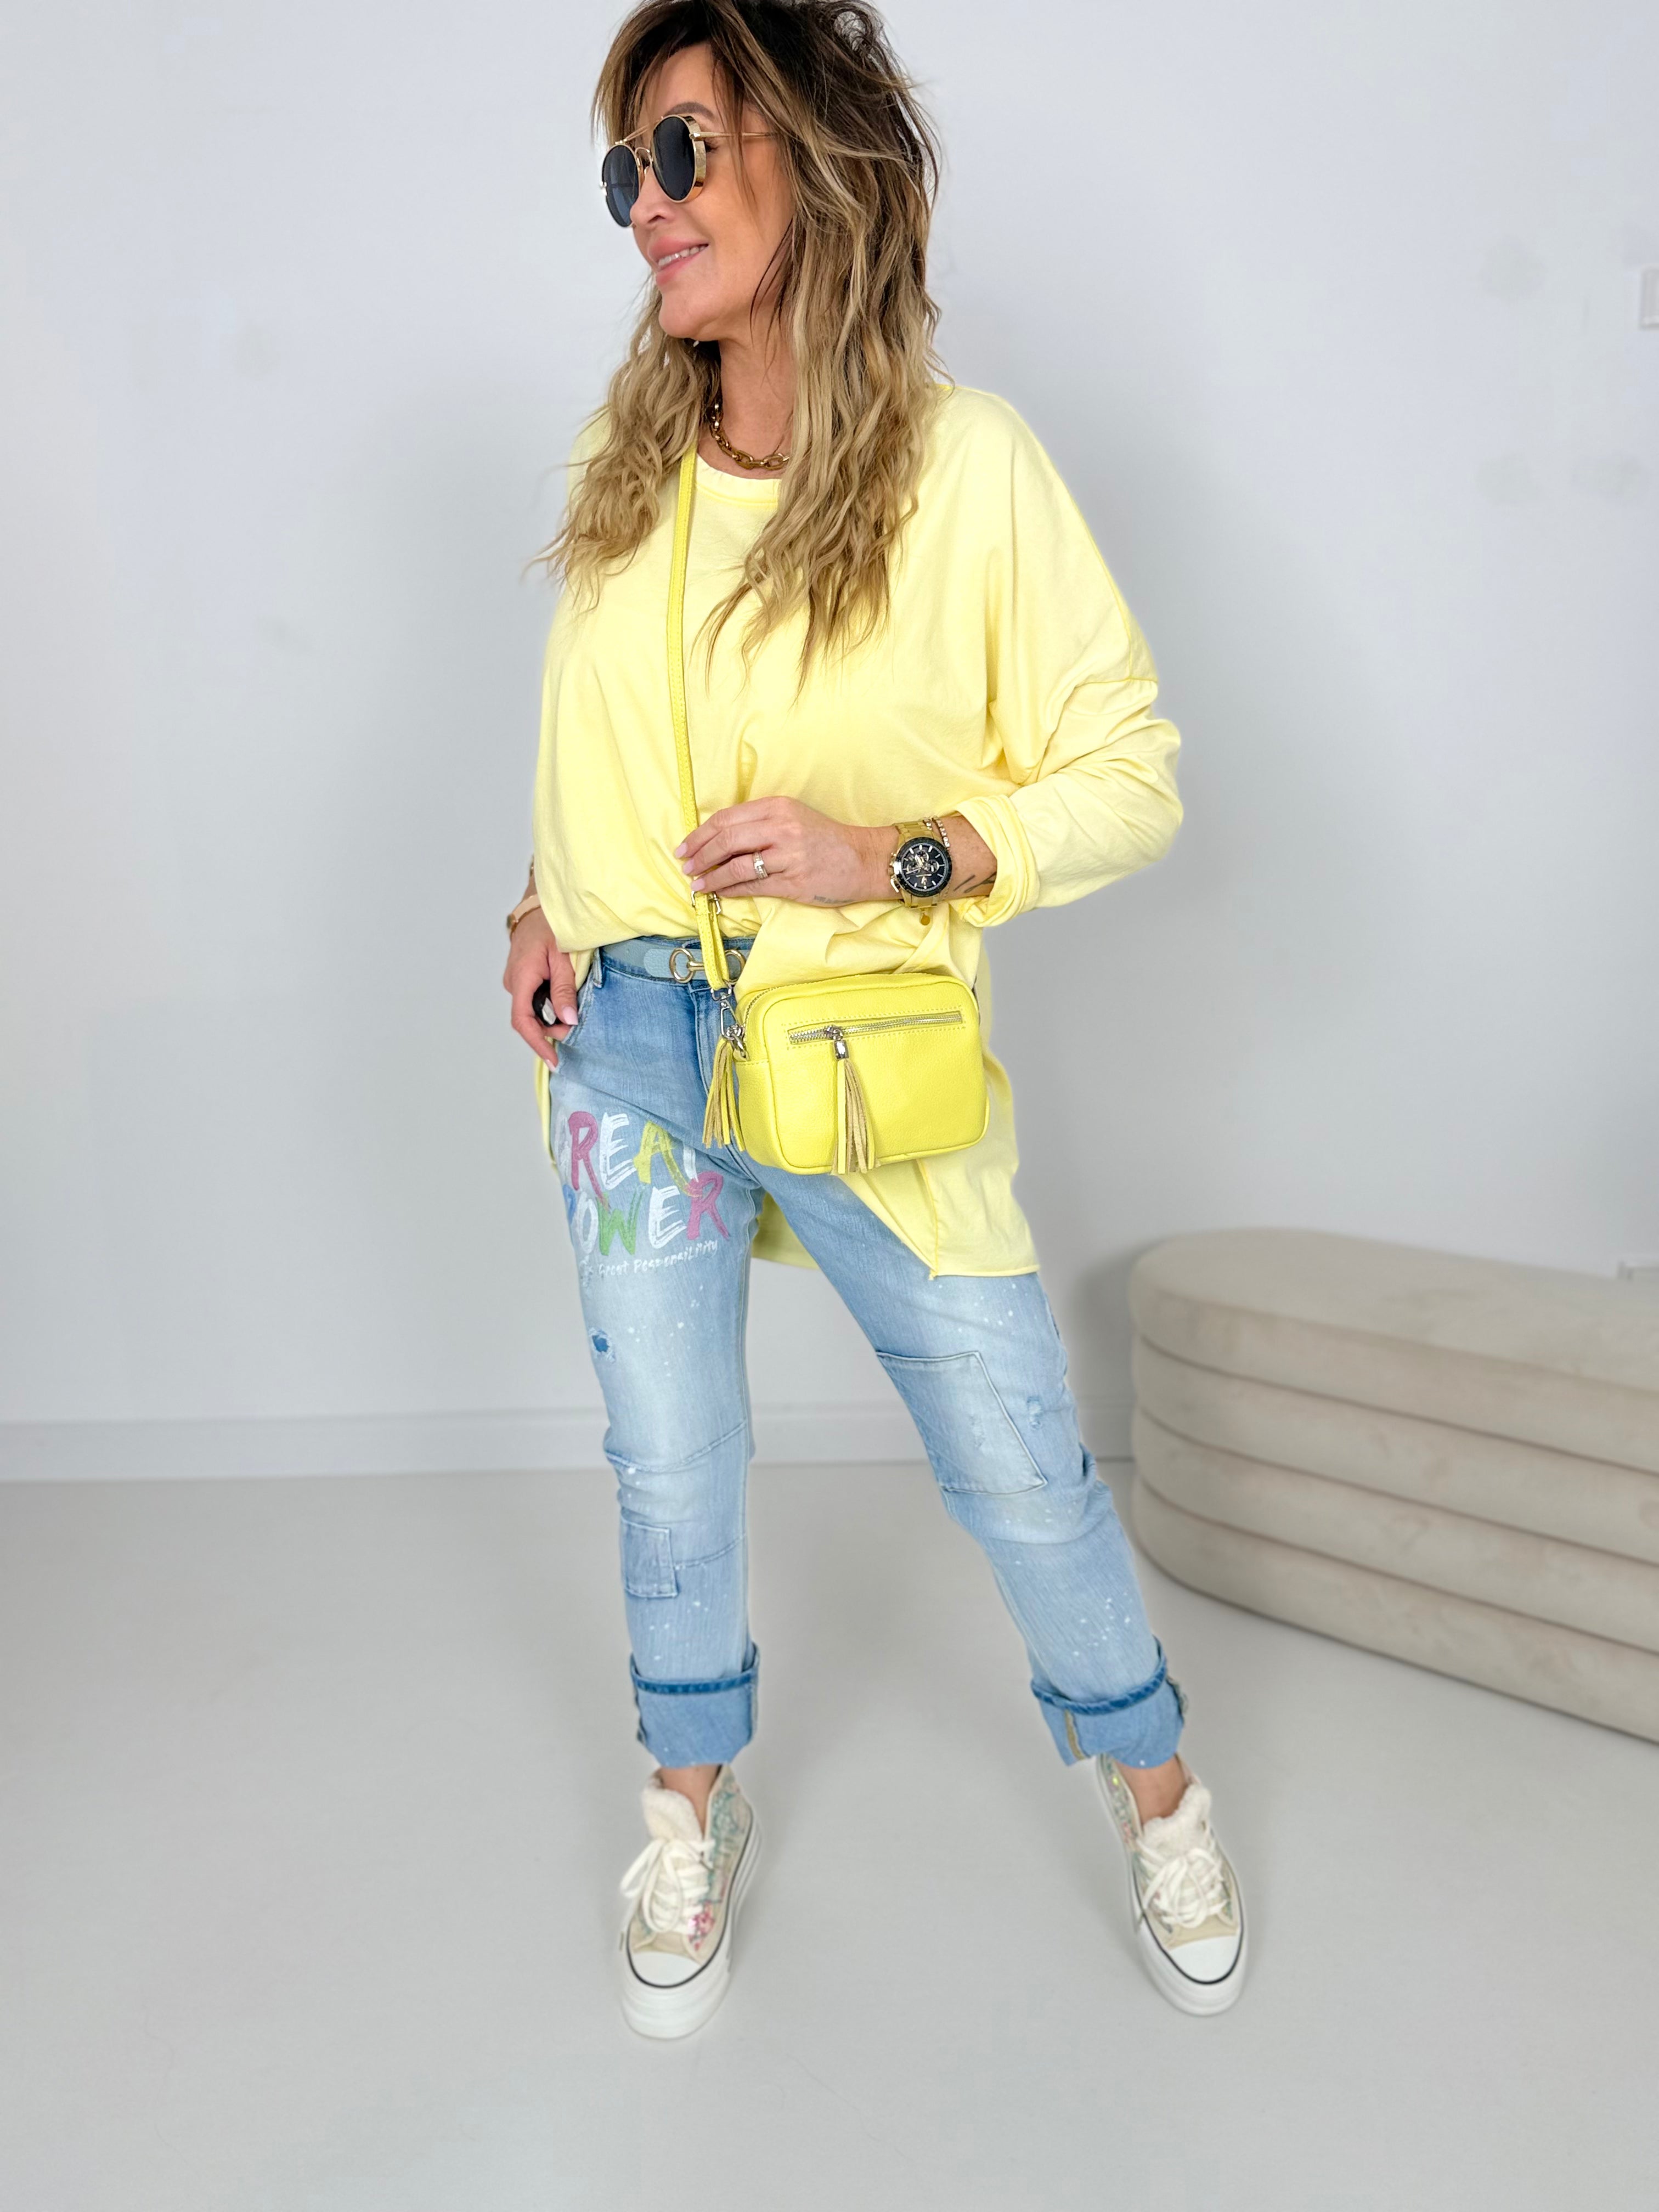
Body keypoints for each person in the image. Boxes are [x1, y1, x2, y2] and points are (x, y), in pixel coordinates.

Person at [503, 0, 1245, 2039]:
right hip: (627, 1053)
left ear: (815, 166)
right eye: (625, 171)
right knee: (671, 1464)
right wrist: (543, 899)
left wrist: (883, 858)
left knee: (1015, 1457)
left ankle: (1159, 1792)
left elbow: (1133, 775)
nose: (645, 209)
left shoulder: (964, 468)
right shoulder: (625, 467)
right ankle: (690, 1800)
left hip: (859, 1052)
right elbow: (587, 739)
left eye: (682, 153)